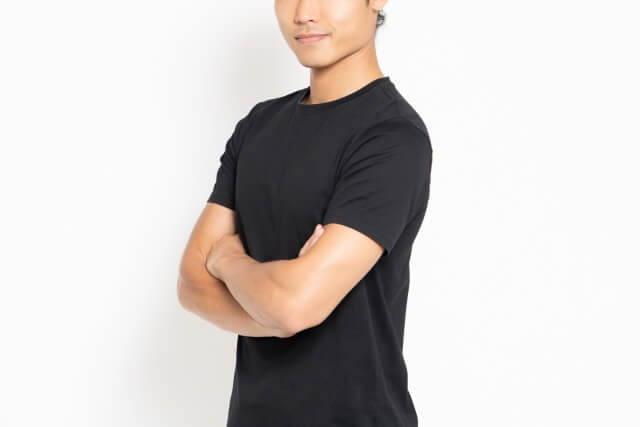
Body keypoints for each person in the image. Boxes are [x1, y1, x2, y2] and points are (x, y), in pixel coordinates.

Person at [177, 0, 433, 425]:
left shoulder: (392, 138)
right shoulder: (258, 125)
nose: (303, 12)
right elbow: (191, 285)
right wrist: (278, 309)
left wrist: (228, 261)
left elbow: (291, 307)